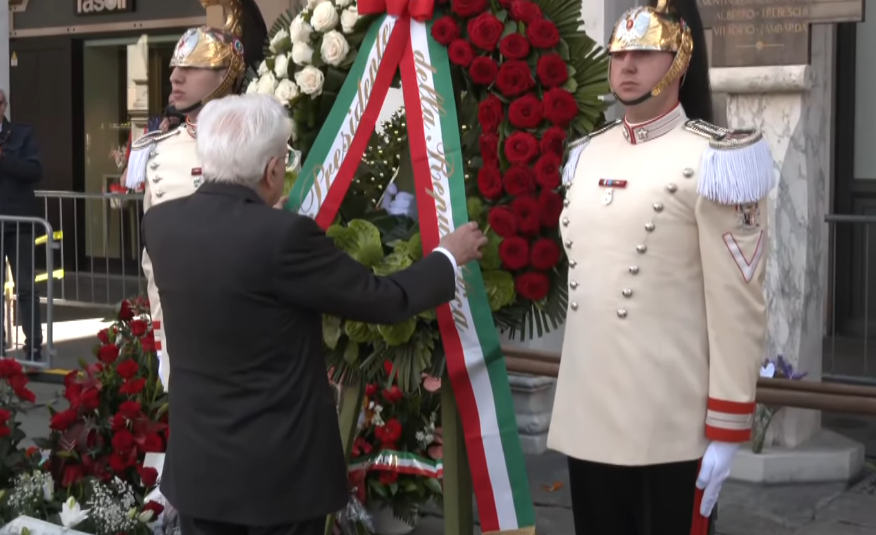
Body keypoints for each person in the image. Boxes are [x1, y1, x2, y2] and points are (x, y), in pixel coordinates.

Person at [141, 93, 488, 535]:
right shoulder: (283, 236)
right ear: (271, 170)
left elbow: (231, 255)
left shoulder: (163, 224)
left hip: (200, 472)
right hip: (278, 477)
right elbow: (382, 298)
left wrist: (264, 218)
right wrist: (447, 257)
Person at [547, 0, 775, 533]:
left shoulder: (718, 159)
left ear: (680, 59)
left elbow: (737, 305)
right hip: (589, 412)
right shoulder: (585, 155)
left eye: (645, 53)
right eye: (619, 54)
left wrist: (728, 422)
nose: (626, 67)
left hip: (670, 422)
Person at [124, 0, 267, 390]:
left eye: (191, 68)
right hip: (182, 328)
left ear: (227, 73)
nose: (175, 77)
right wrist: (161, 336)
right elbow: (154, 261)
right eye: (174, 66)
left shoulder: (264, 143)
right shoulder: (158, 150)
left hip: (251, 325)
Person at [0, 89, 44, 361]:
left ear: (3, 105)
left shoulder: (22, 134)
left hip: (19, 221)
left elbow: (35, 171)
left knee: (25, 286)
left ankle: (34, 345)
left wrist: (4, 160)